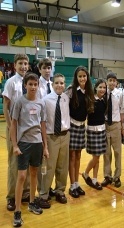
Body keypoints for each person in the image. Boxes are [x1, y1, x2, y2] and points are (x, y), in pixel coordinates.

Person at [10, 72, 48, 227]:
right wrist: (15, 145)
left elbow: (43, 125)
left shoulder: (41, 103)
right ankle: (17, 211)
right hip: (24, 143)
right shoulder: (19, 102)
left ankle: (32, 202)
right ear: (25, 85)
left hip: (37, 143)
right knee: (21, 176)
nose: (33, 87)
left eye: (35, 84)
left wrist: (45, 146)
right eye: (30, 84)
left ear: (38, 86)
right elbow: (13, 124)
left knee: (34, 173)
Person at [37, 73, 70, 209]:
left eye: (62, 83)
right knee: (49, 167)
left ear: (64, 85)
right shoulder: (45, 100)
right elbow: (43, 122)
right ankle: (43, 194)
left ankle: (60, 190)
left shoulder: (66, 98)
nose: (59, 85)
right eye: (57, 83)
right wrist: (44, 142)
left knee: (63, 166)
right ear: (52, 84)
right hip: (51, 137)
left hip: (65, 135)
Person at [2, 54, 30, 211]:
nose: (24, 66)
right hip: (15, 127)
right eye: (21, 63)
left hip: (26, 128)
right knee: (14, 163)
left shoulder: (29, 81)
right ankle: (11, 197)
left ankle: (25, 192)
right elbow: (6, 105)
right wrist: (9, 125)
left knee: (25, 161)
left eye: (26, 63)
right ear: (15, 65)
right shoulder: (11, 82)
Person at [65, 66, 95, 198]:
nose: (82, 78)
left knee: (78, 156)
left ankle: (77, 183)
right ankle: (72, 185)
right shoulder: (71, 91)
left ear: (87, 77)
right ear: (76, 78)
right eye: (80, 76)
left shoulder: (89, 91)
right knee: (71, 157)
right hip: (72, 126)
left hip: (82, 127)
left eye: (84, 76)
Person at [82, 79, 107, 191]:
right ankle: (86, 173)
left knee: (98, 157)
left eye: (104, 87)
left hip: (102, 130)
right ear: (95, 88)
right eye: (100, 87)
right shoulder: (90, 100)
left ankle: (95, 180)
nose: (102, 89)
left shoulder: (104, 100)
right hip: (92, 131)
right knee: (95, 157)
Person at [101, 72, 123, 188]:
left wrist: (122, 126)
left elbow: (122, 110)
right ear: (107, 81)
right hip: (105, 125)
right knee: (106, 152)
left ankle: (117, 176)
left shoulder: (120, 93)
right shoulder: (103, 93)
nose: (112, 82)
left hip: (115, 124)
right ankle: (107, 176)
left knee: (117, 152)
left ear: (116, 82)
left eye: (114, 81)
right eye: (110, 80)